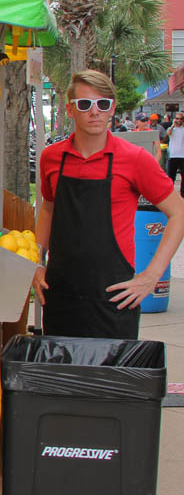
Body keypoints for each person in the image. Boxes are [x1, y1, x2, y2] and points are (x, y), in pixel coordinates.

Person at [33, 70, 184, 339]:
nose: (95, 112)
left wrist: (151, 276)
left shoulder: (135, 159)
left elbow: (178, 213)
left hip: (115, 296)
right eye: (85, 104)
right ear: (70, 109)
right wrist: (35, 262)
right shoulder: (52, 157)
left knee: (111, 380)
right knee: (63, 378)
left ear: (112, 108)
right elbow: (48, 208)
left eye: (103, 104)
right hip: (60, 293)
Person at [168, 113, 184, 195]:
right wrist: (173, 125)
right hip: (173, 155)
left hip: (182, 156)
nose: (179, 120)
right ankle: (170, 193)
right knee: (171, 176)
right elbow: (169, 133)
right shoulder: (172, 129)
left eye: (181, 119)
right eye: (177, 118)